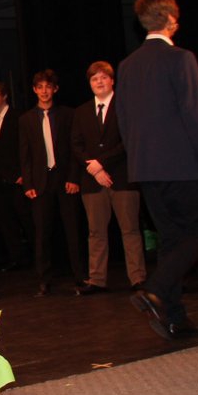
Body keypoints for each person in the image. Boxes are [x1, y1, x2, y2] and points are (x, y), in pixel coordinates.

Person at [116, 0, 198, 340]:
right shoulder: (181, 58)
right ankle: (155, 289)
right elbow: (194, 116)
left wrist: (138, 160)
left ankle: (175, 318)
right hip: (181, 167)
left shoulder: (127, 66)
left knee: (172, 239)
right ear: (171, 19)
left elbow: (123, 121)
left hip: (145, 169)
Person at [70, 61, 147, 294]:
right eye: (94, 79)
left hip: (122, 178)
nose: (99, 82)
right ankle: (96, 280)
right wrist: (95, 169)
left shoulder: (125, 106)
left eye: (103, 77)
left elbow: (129, 140)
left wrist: (102, 163)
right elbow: (76, 145)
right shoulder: (81, 111)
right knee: (96, 233)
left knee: (130, 230)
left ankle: (138, 278)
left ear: (112, 80)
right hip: (92, 182)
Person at [19, 70, 85, 296]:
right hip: (40, 181)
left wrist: (74, 177)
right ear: (34, 90)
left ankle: (80, 276)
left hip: (64, 178)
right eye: (40, 87)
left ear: (55, 89)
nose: (44, 91)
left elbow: (75, 149)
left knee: (73, 229)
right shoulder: (26, 119)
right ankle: (44, 280)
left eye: (48, 87)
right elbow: (25, 155)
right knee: (42, 233)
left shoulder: (68, 115)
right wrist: (28, 184)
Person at [0, 81, 31, 271]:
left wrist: (23, 173)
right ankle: (17, 258)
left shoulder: (19, 117)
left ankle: (36, 257)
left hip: (18, 179)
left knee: (26, 219)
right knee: (6, 223)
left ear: (4, 96)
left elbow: (25, 148)